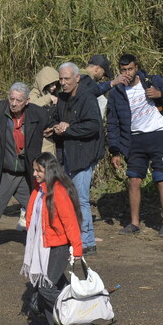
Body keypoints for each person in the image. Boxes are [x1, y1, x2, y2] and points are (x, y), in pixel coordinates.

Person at [107, 54, 163, 238]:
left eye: (130, 69)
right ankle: (134, 223)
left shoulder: (150, 81)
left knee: (161, 179)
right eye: (123, 70)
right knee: (133, 180)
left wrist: (160, 93)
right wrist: (115, 150)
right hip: (134, 140)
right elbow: (113, 122)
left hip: (158, 135)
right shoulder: (117, 92)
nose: (127, 73)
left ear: (136, 68)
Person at [21, 153, 88, 325]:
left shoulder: (58, 191)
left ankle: (79, 322)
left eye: (38, 171)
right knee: (57, 287)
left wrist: (77, 248)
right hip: (42, 246)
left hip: (57, 246)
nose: (34, 174)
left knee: (46, 288)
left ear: (49, 171)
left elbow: (70, 221)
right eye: (34, 170)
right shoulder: (39, 190)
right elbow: (32, 215)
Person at [0, 82, 48, 252]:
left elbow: (51, 125)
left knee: (36, 207)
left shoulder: (38, 114)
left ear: (27, 101)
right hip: (4, 170)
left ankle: (40, 238)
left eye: (18, 100)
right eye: (12, 98)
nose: (14, 103)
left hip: (27, 172)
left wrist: (54, 129)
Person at [44, 62, 104, 256]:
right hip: (67, 154)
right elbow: (54, 119)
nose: (63, 83)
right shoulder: (61, 98)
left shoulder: (87, 98)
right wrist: (53, 129)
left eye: (67, 79)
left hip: (84, 155)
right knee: (71, 198)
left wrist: (67, 129)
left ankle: (87, 242)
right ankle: (76, 238)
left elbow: (94, 126)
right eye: (61, 79)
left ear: (77, 78)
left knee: (81, 199)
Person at [29, 66, 61, 155]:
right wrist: (48, 98)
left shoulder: (54, 94)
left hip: (52, 140)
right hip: (39, 142)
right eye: (51, 84)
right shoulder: (33, 94)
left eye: (55, 84)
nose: (54, 87)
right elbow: (30, 105)